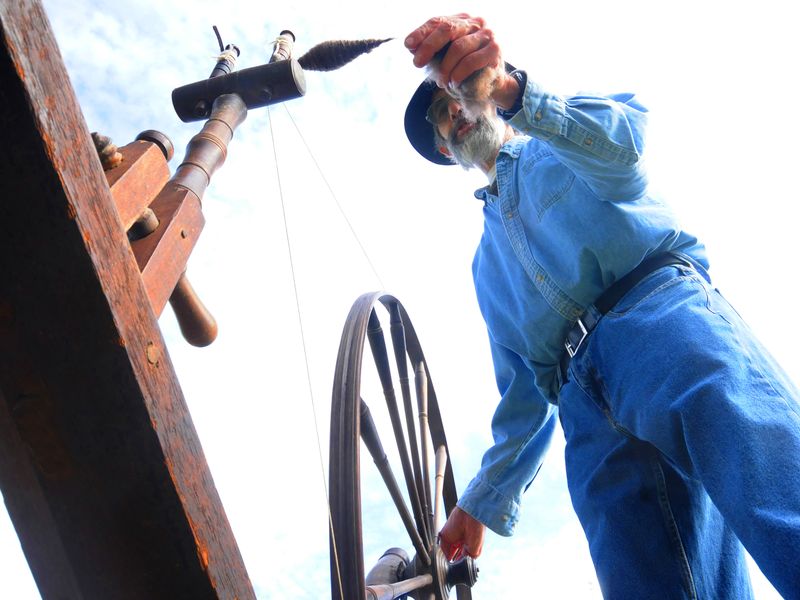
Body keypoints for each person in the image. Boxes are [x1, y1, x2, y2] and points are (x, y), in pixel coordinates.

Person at [403, 13, 800, 599]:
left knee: (775, 493)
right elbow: (522, 397)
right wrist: (482, 502)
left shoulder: (557, 145)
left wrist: (511, 88)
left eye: (457, 96)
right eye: (443, 115)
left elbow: (625, 149)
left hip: (661, 322)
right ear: (443, 146)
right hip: (580, 406)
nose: (456, 113)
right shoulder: (486, 269)